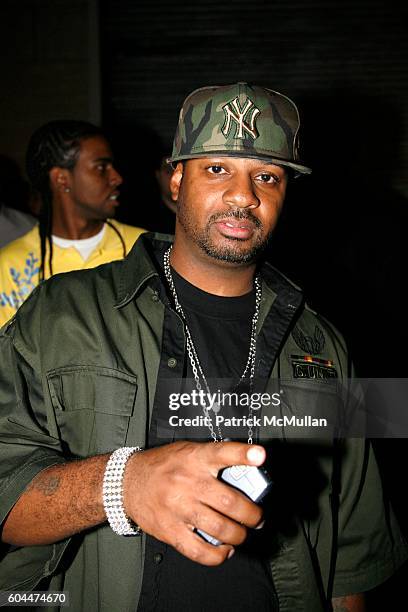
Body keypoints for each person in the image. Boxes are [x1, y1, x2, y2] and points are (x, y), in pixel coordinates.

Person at [0, 83, 406, 612]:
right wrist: (123, 484)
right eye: (218, 169)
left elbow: (353, 553)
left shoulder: (325, 344)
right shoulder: (62, 314)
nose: (244, 195)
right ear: (176, 178)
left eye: (267, 176)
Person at [0, 120, 145, 326]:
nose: (117, 178)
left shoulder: (143, 248)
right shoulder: (11, 265)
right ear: (61, 179)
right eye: (101, 167)